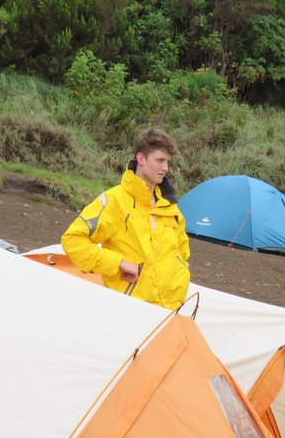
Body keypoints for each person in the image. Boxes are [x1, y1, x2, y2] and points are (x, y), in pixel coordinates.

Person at [61, 128, 190, 310]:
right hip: (129, 311)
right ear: (141, 159)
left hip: (171, 310)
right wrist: (118, 264)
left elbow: (182, 251)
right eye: (160, 161)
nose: (165, 168)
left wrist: (180, 276)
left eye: (167, 162)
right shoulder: (115, 201)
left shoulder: (170, 207)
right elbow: (72, 240)